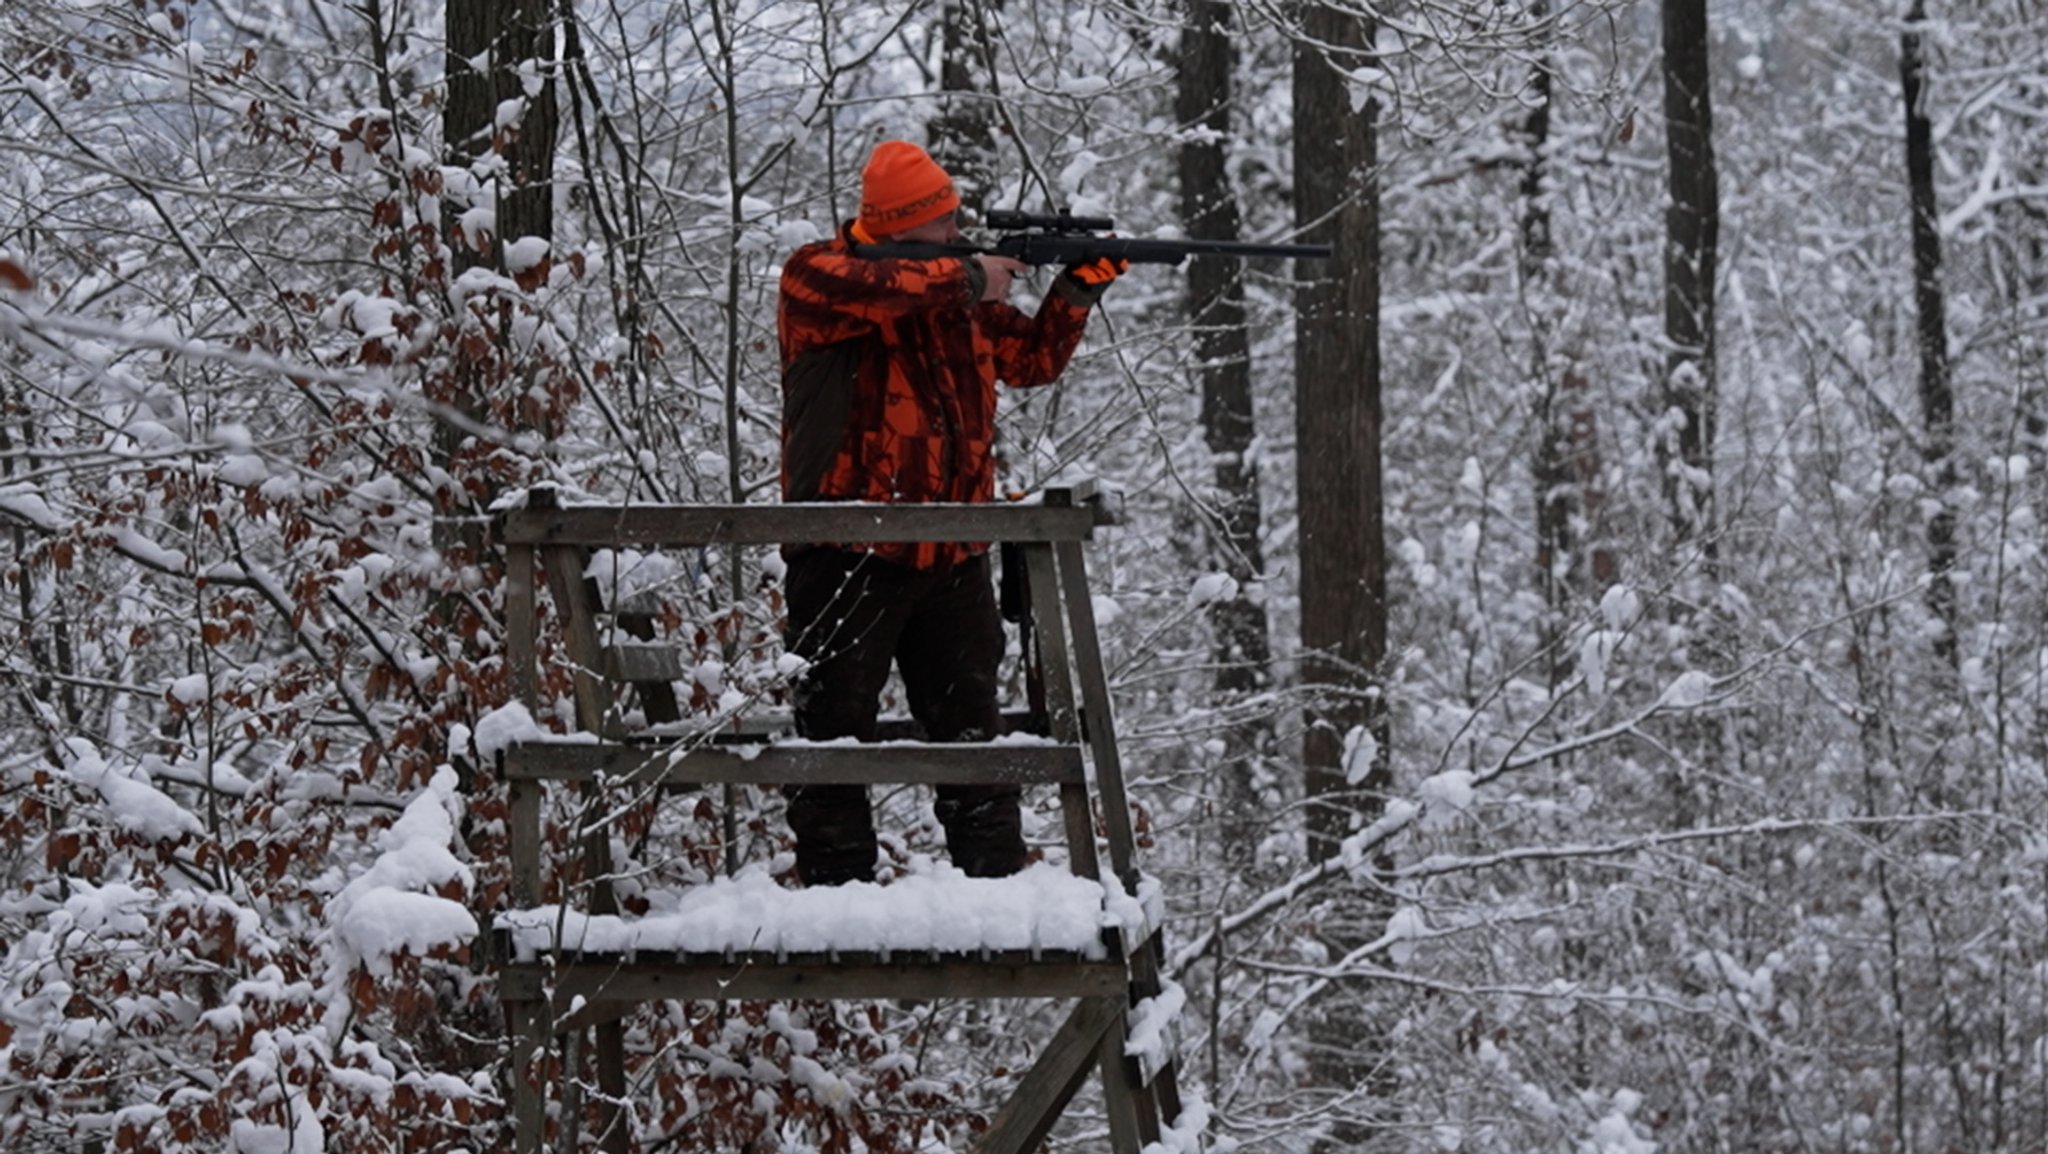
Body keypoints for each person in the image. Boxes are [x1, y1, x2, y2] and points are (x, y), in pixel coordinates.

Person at [774, 140, 1125, 886]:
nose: (956, 231)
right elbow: (887, 289)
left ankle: (1000, 897)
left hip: (954, 559)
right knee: (833, 743)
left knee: (976, 748)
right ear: (902, 227)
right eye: (940, 222)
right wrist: (972, 275)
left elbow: (1031, 361)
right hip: (846, 557)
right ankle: (835, 911)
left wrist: (1073, 295)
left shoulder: (958, 301)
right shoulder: (816, 277)